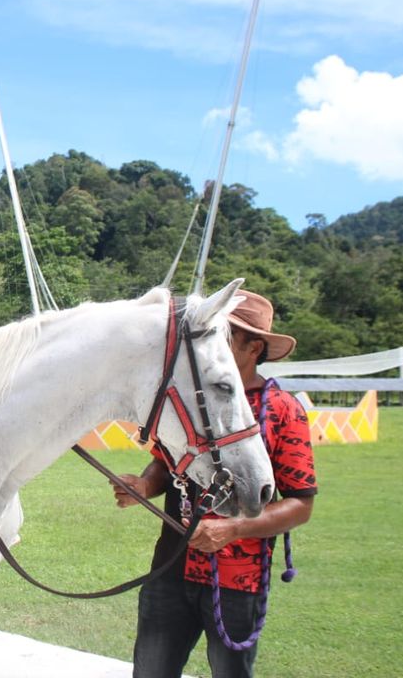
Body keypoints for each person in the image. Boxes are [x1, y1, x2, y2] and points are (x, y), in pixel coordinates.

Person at [114, 289, 317, 678]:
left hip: (237, 580)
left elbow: (301, 505)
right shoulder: (192, 397)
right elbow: (165, 460)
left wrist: (234, 528)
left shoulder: (284, 410)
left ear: (255, 347)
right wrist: (143, 486)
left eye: (227, 335)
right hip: (170, 568)